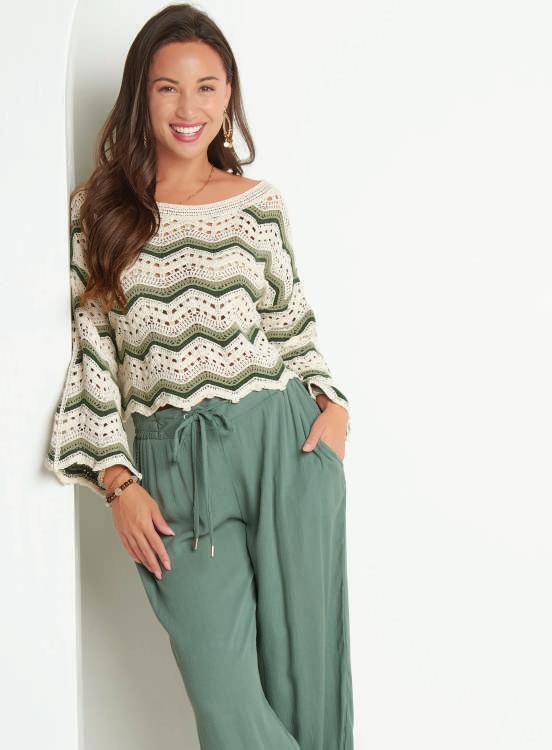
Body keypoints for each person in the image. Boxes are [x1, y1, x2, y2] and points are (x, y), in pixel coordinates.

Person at [44, 4, 354, 749]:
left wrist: (333, 407)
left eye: (207, 87)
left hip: (285, 445)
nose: (189, 108)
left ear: (228, 95)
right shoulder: (98, 211)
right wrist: (116, 483)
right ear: (140, 95)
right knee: (225, 698)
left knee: (308, 683)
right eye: (167, 88)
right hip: (173, 466)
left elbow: (290, 323)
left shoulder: (258, 205)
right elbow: (92, 352)